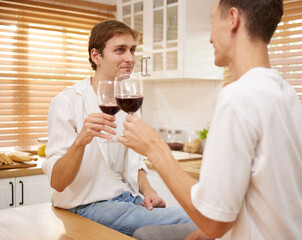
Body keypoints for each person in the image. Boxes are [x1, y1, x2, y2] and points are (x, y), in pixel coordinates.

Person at [118, 0, 302, 239]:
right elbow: (270, 196)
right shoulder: (288, 94)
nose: (210, 37)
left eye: (212, 23)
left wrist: (154, 147)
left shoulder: (239, 96)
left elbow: (213, 222)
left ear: (233, 19)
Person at [42, 20, 192, 237]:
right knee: (195, 219)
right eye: (120, 50)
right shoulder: (67, 102)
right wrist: (81, 141)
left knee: (155, 233)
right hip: (89, 206)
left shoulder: (128, 102)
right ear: (96, 56)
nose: (130, 58)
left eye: (132, 50)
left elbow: (134, 161)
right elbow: (57, 181)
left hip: (128, 202)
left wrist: (149, 191)